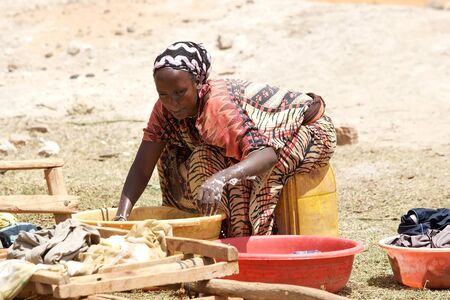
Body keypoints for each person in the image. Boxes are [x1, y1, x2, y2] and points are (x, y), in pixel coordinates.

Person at [114, 41, 336, 237]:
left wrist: (220, 178)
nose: (172, 102)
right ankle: (205, 233)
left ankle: (257, 246)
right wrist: (121, 218)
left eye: (180, 92)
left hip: (308, 132)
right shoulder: (164, 109)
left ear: (199, 83)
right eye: (163, 94)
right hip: (257, 145)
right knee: (192, 156)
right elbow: (143, 167)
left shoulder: (218, 107)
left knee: (256, 179)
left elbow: (266, 155)